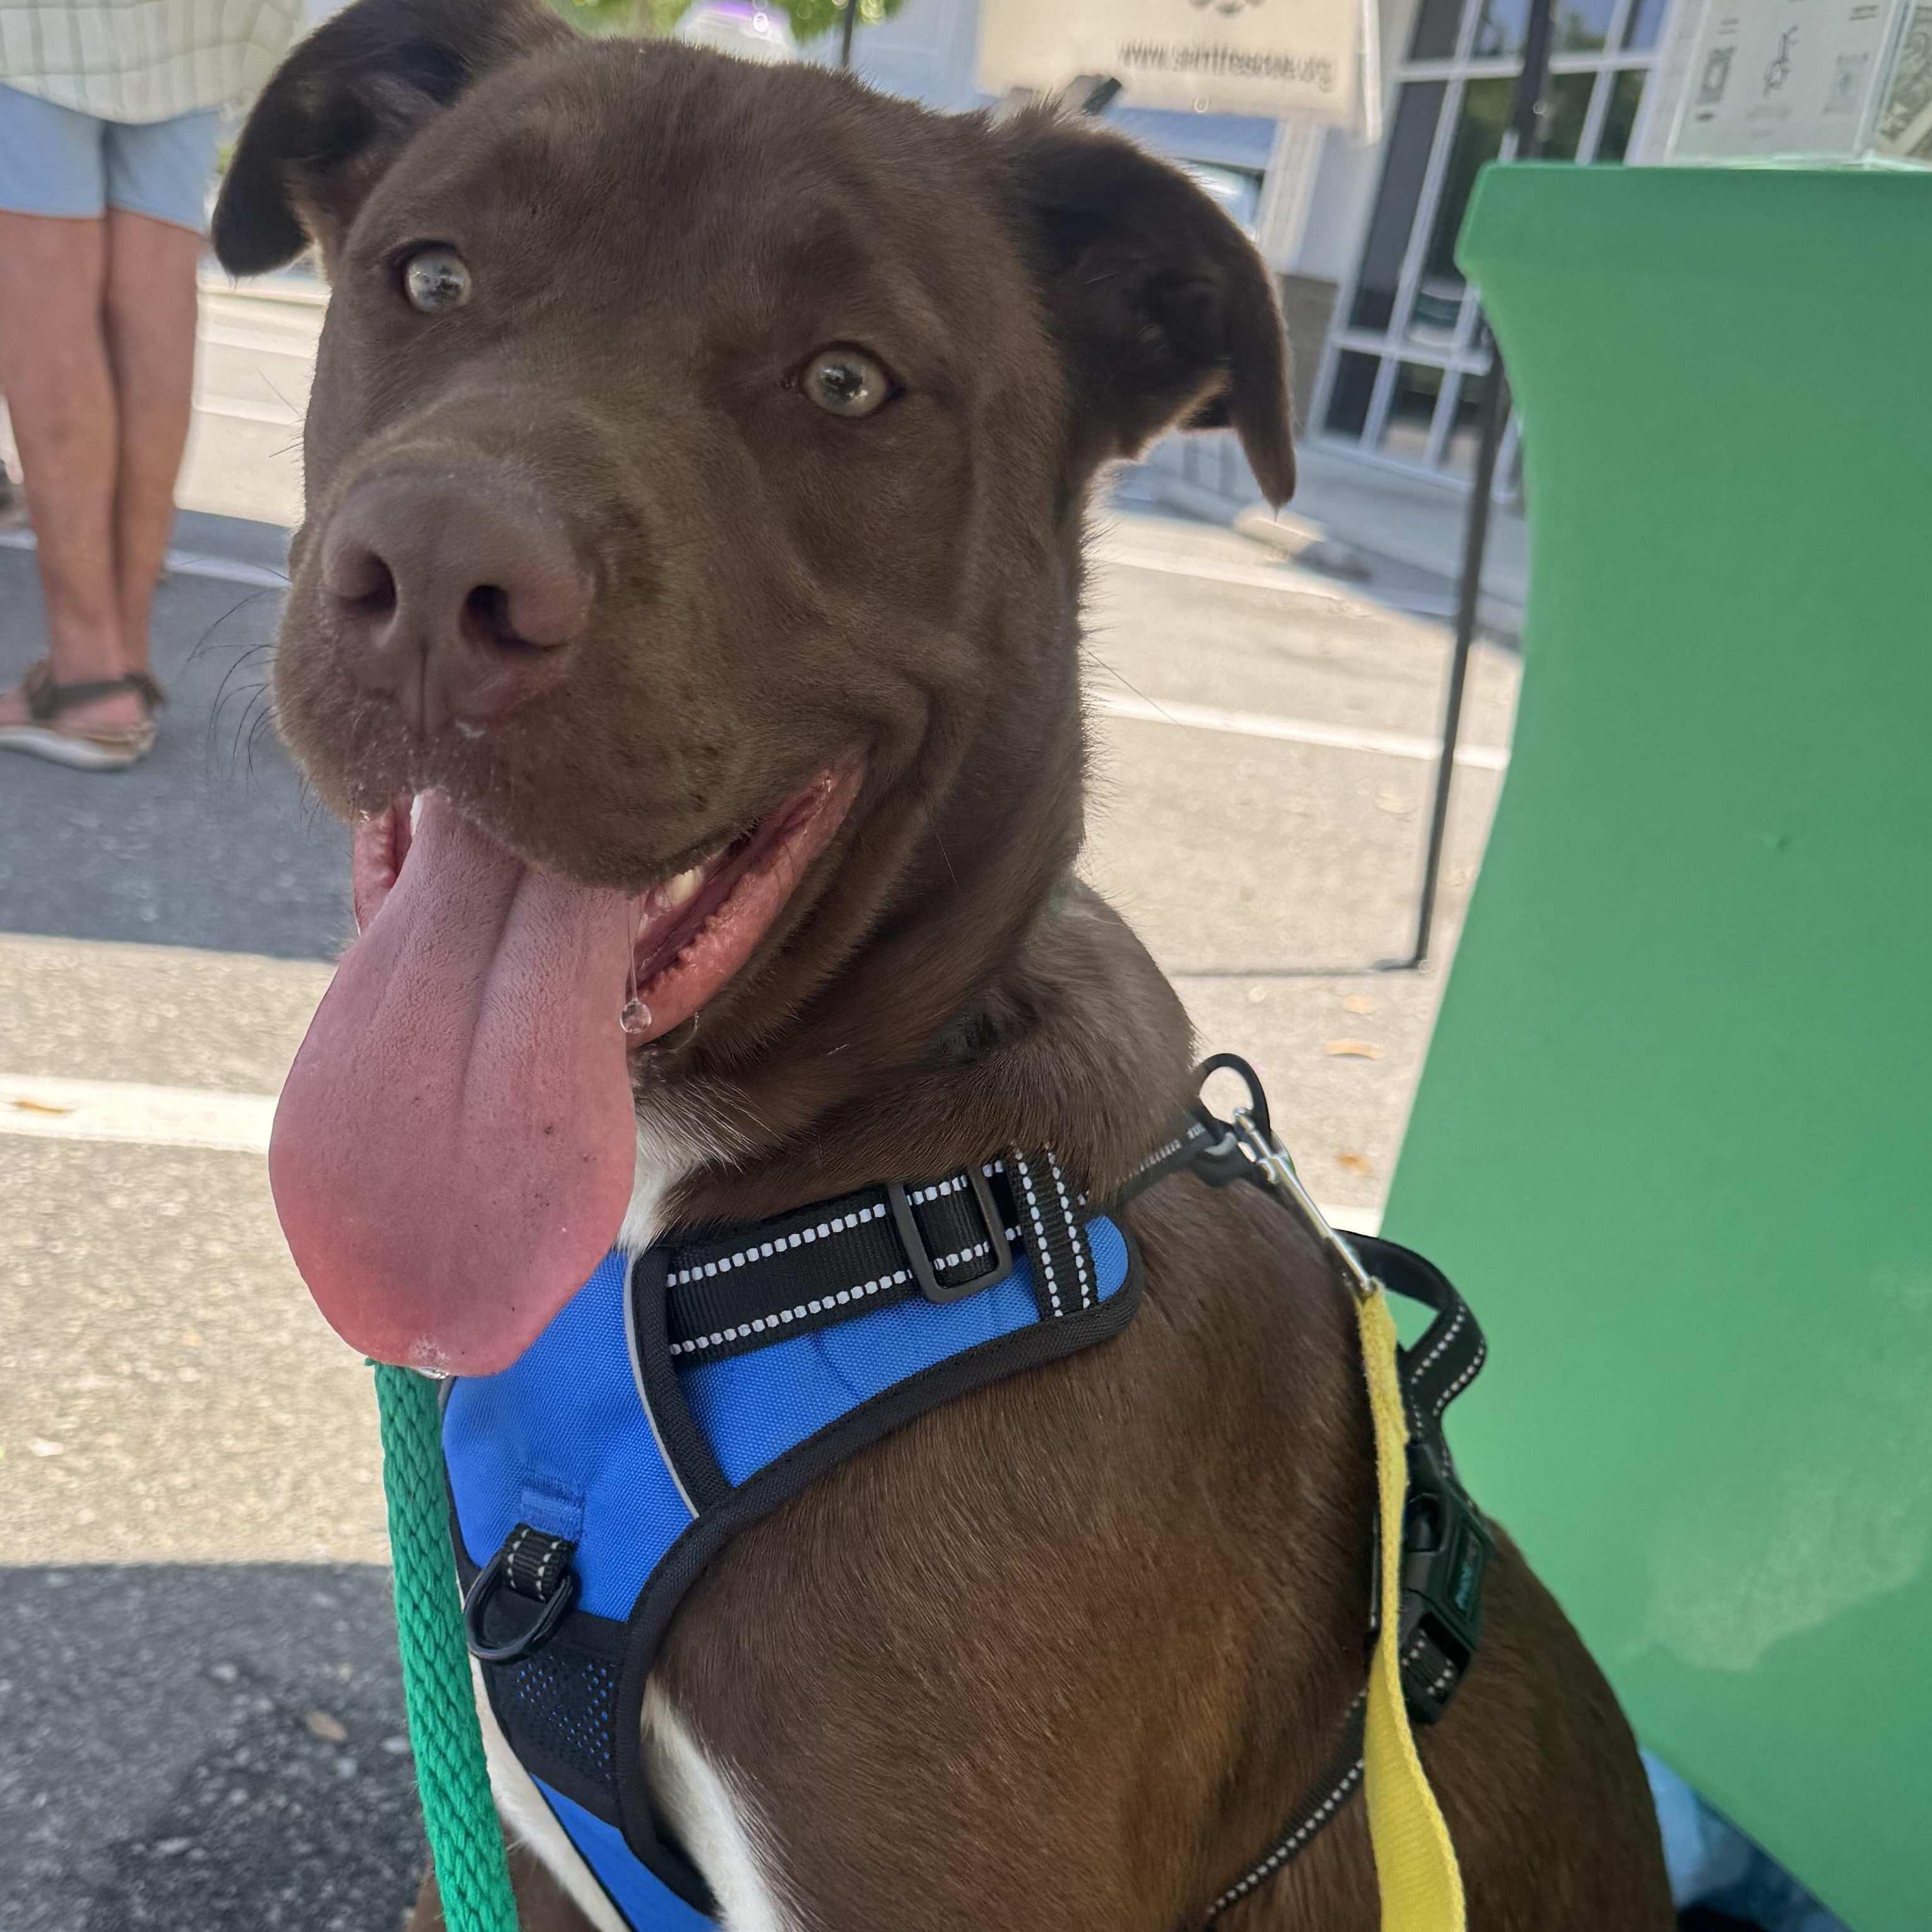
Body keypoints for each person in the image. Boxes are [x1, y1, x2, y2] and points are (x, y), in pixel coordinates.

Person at [0, 0, 301, 770]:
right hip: (186, 26)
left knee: (43, 295)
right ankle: (123, 659)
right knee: (156, 287)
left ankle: (87, 677)